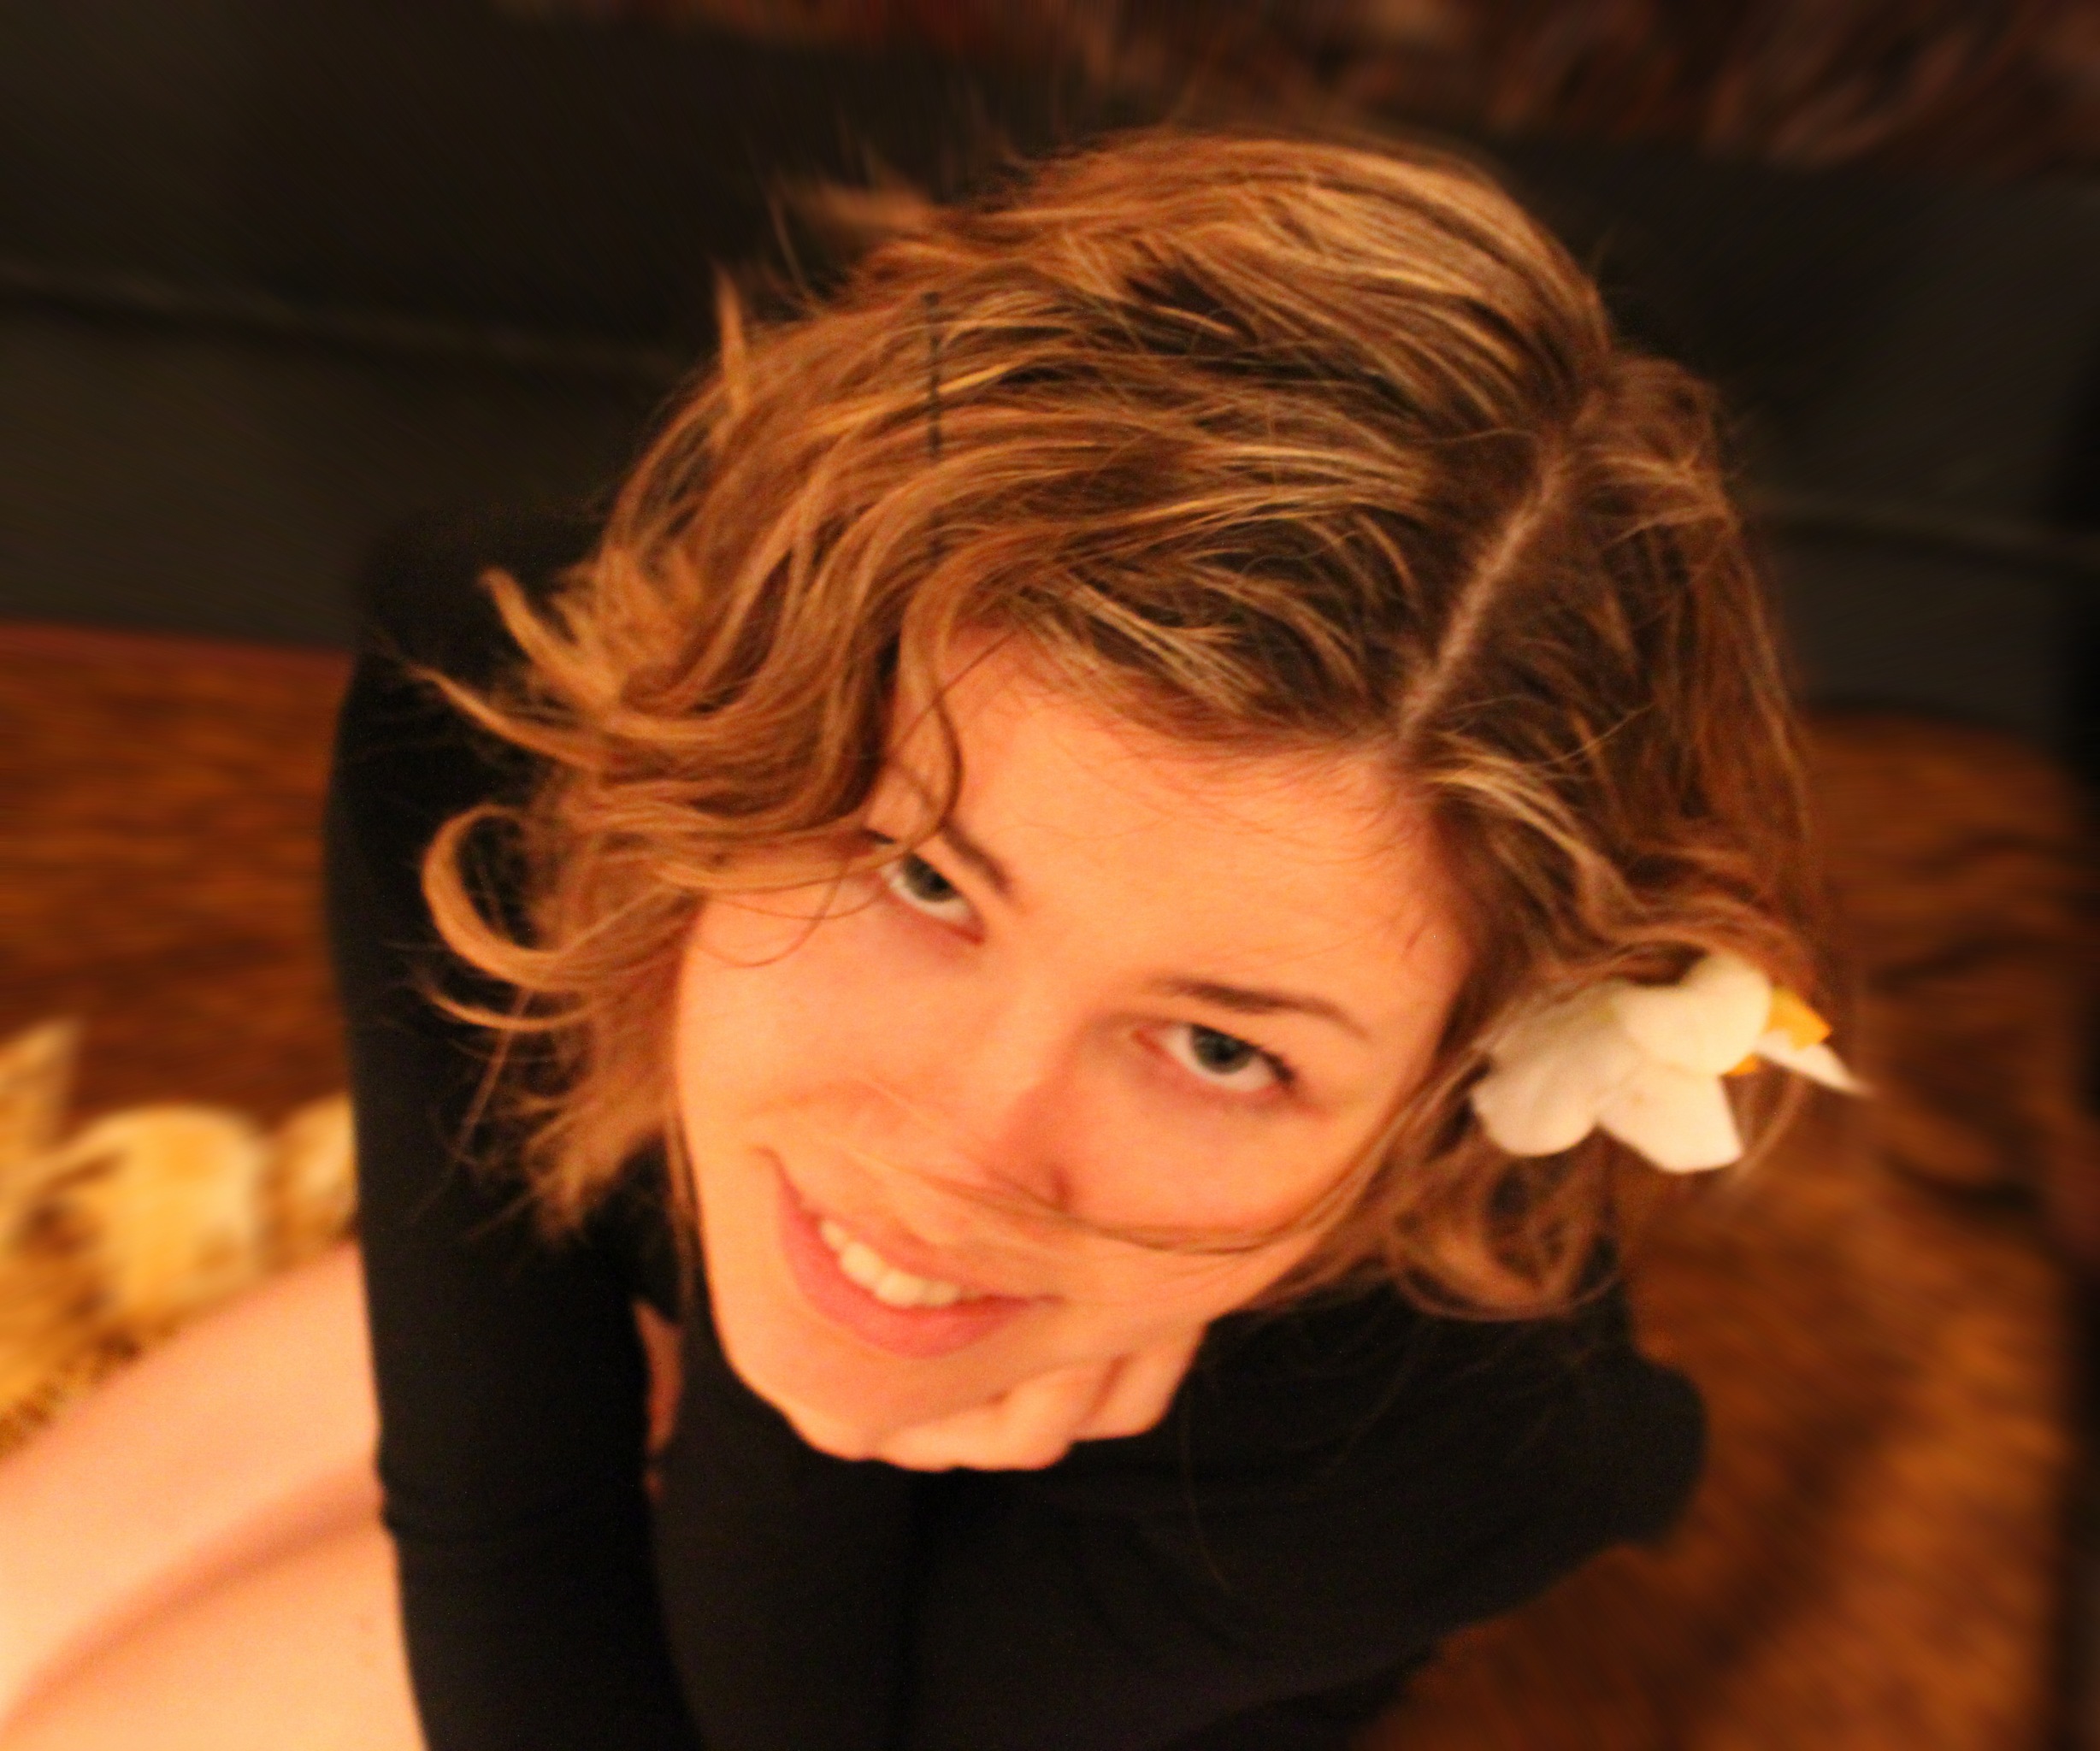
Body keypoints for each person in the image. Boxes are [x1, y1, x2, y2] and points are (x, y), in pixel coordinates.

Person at [0, 127, 1847, 1750]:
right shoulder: (504, 735)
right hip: (708, 1299)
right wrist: (811, 1297)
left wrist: (815, 1391)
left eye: (1221, 1048)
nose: (962, 1137)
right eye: (923, 879)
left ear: (1437, 1095)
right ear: (744, 721)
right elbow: (499, 1512)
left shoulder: (1432, 1456)